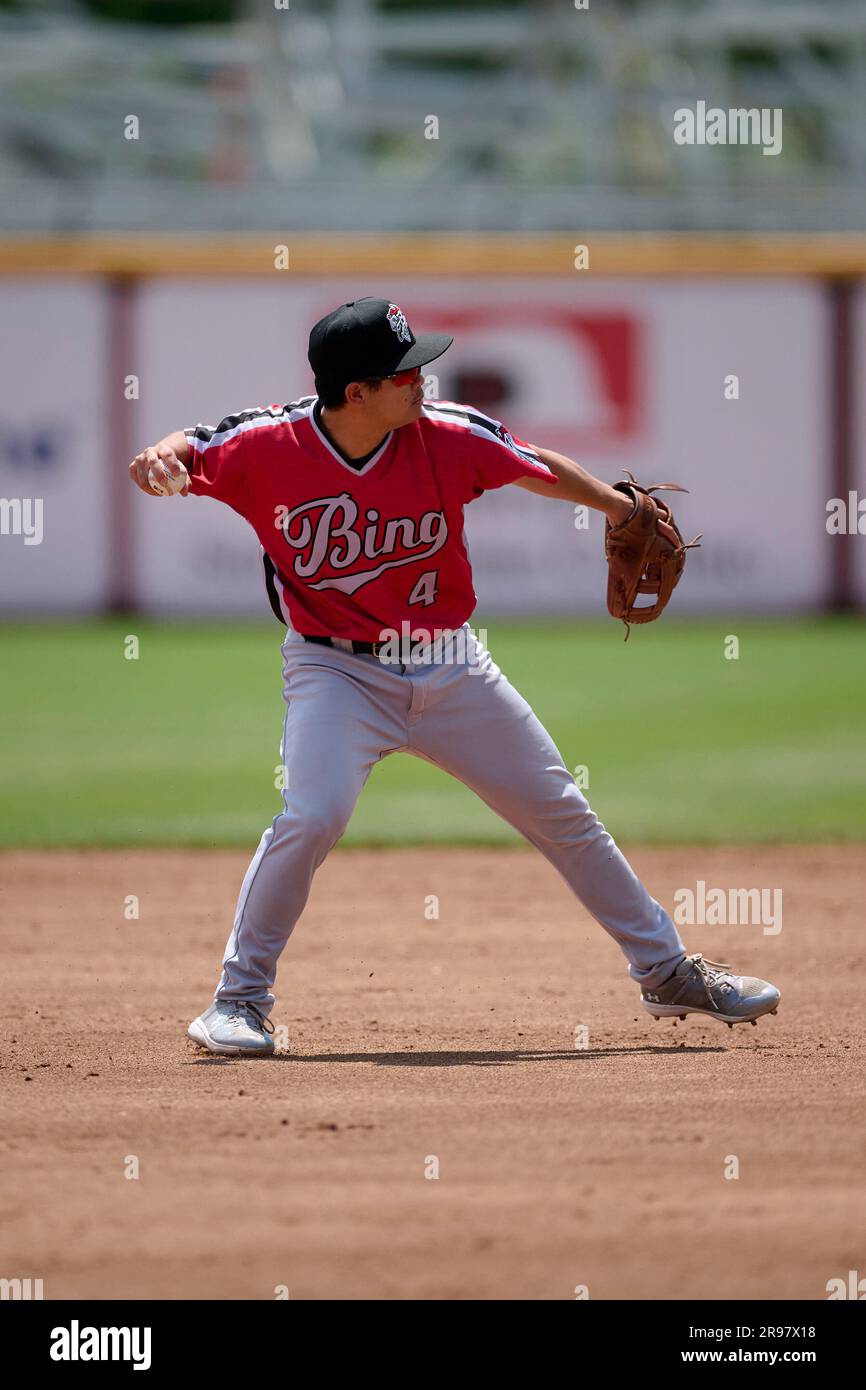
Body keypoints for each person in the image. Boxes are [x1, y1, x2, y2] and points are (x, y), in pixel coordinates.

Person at [128, 297, 780, 1055]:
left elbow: (534, 464)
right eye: (404, 372)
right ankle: (237, 1002)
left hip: (451, 662)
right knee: (312, 814)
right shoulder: (268, 446)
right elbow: (191, 447)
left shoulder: (446, 435)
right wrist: (160, 458)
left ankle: (667, 972)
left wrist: (612, 505)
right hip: (334, 671)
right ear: (356, 393)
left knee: (561, 809)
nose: (423, 380)